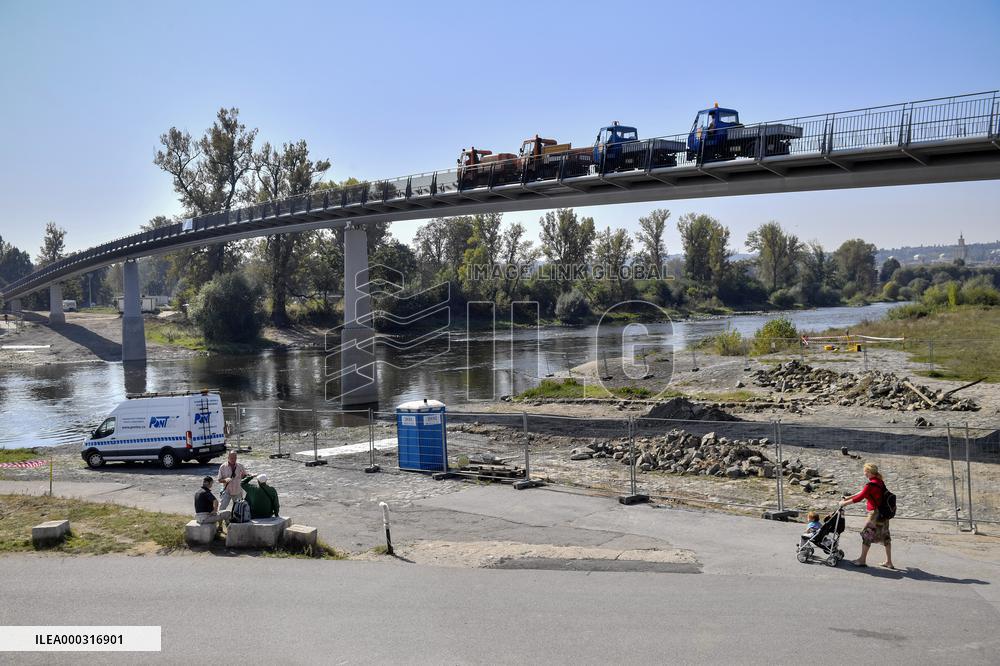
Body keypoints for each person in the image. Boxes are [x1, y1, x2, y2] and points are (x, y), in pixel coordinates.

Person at [839, 462, 895, 569]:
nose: (864, 473)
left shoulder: (870, 485)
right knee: (886, 536)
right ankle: (889, 562)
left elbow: (860, 498)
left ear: (869, 472)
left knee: (867, 535)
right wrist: (849, 496)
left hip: (874, 514)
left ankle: (862, 560)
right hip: (883, 513)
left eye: (865, 471)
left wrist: (844, 503)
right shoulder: (879, 482)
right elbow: (863, 492)